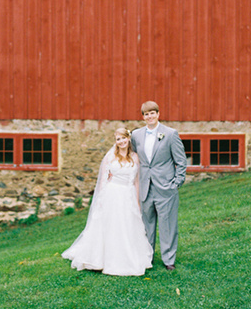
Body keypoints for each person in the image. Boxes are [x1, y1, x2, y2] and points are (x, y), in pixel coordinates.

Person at [61, 128, 153, 276]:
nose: (121, 141)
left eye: (123, 138)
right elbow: (103, 180)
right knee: (110, 225)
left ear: (128, 139)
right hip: (112, 193)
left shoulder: (135, 157)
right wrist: (101, 200)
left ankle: (127, 256)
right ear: (115, 141)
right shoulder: (110, 157)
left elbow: (136, 181)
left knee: (127, 225)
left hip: (128, 194)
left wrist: (137, 202)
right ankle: (101, 259)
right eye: (118, 139)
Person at [131, 101, 187, 271]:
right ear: (143, 117)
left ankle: (168, 259)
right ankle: (147, 257)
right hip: (145, 186)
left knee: (167, 224)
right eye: (146, 114)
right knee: (146, 224)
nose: (150, 117)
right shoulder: (136, 135)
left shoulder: (170, 134)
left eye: (152, 113)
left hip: (166, 187)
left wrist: (176, 182)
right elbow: (134, 158)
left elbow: (181, 161)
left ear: (158, 114)